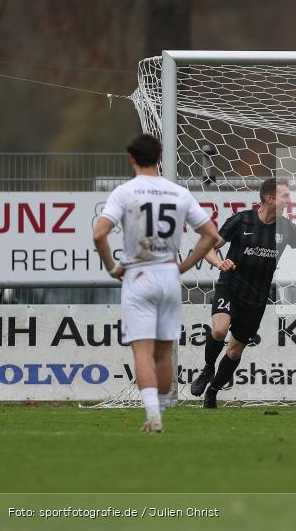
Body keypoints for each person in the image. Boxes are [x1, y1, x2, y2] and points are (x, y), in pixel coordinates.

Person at [93, 133, 219, 432]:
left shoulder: (124, 192)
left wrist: (113, 267)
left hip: (137, 274)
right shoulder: (178, 193)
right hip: (168, 274)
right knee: (164, 352)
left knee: (142, 350)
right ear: (161, 158)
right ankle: (160, 412)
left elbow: (99, 234)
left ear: (132, 159)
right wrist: (184, 265)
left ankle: (153, 415)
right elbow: (211, 235)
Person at [189, 178, 296, 408]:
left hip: (256, 297)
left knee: (234, 352)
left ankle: (213, 392)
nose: (289, 200)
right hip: (231, 287)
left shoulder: (286, 228)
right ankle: (207, 369)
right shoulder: (241, 220)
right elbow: (208, 249)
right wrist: (219, 263)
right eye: (285, 196)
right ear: (270, 198)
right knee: (219, 329)